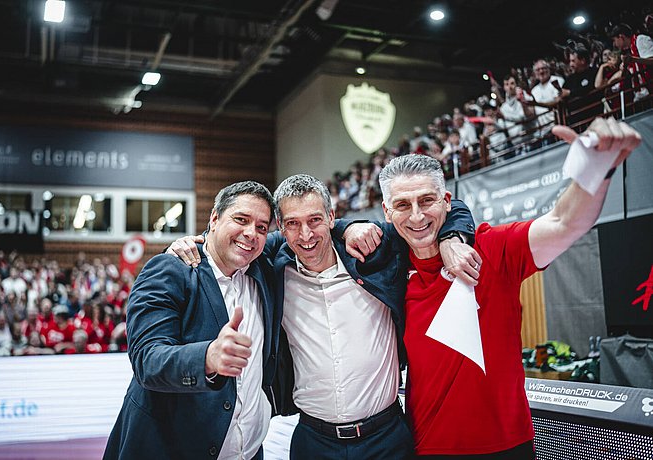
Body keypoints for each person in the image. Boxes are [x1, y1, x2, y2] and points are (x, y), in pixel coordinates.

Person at [346, 117, 640, 458]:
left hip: (507, 446)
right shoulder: (390, 271)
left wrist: (595, 170)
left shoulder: (492, 248)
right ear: (386, 211)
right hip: (428, 446)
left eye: (426, 200)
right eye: (402, 205)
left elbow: (564, 223)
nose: (416, 216)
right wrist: (349, 228)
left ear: (446, 201)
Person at [169, 176, 479, 459]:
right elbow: (231, 240)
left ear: (331, 217)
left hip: (386, 438)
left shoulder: (376, 249)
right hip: (313, 441)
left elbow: (451, 209)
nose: (305, 235)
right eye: (293, 223)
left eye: (315, 220)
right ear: (281, 227)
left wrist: (452, 238)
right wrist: (197, 242)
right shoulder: (273, 266)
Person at [104, 181, 280, 460]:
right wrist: (207, 358)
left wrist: (348, 228)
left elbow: (308, 230)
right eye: (241, 219)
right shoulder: (171, 269)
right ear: (214, 218)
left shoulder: (262, 264)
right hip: (171, 451)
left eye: (261, 227)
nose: (251, 233)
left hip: (247, 452)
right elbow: (147, 360)